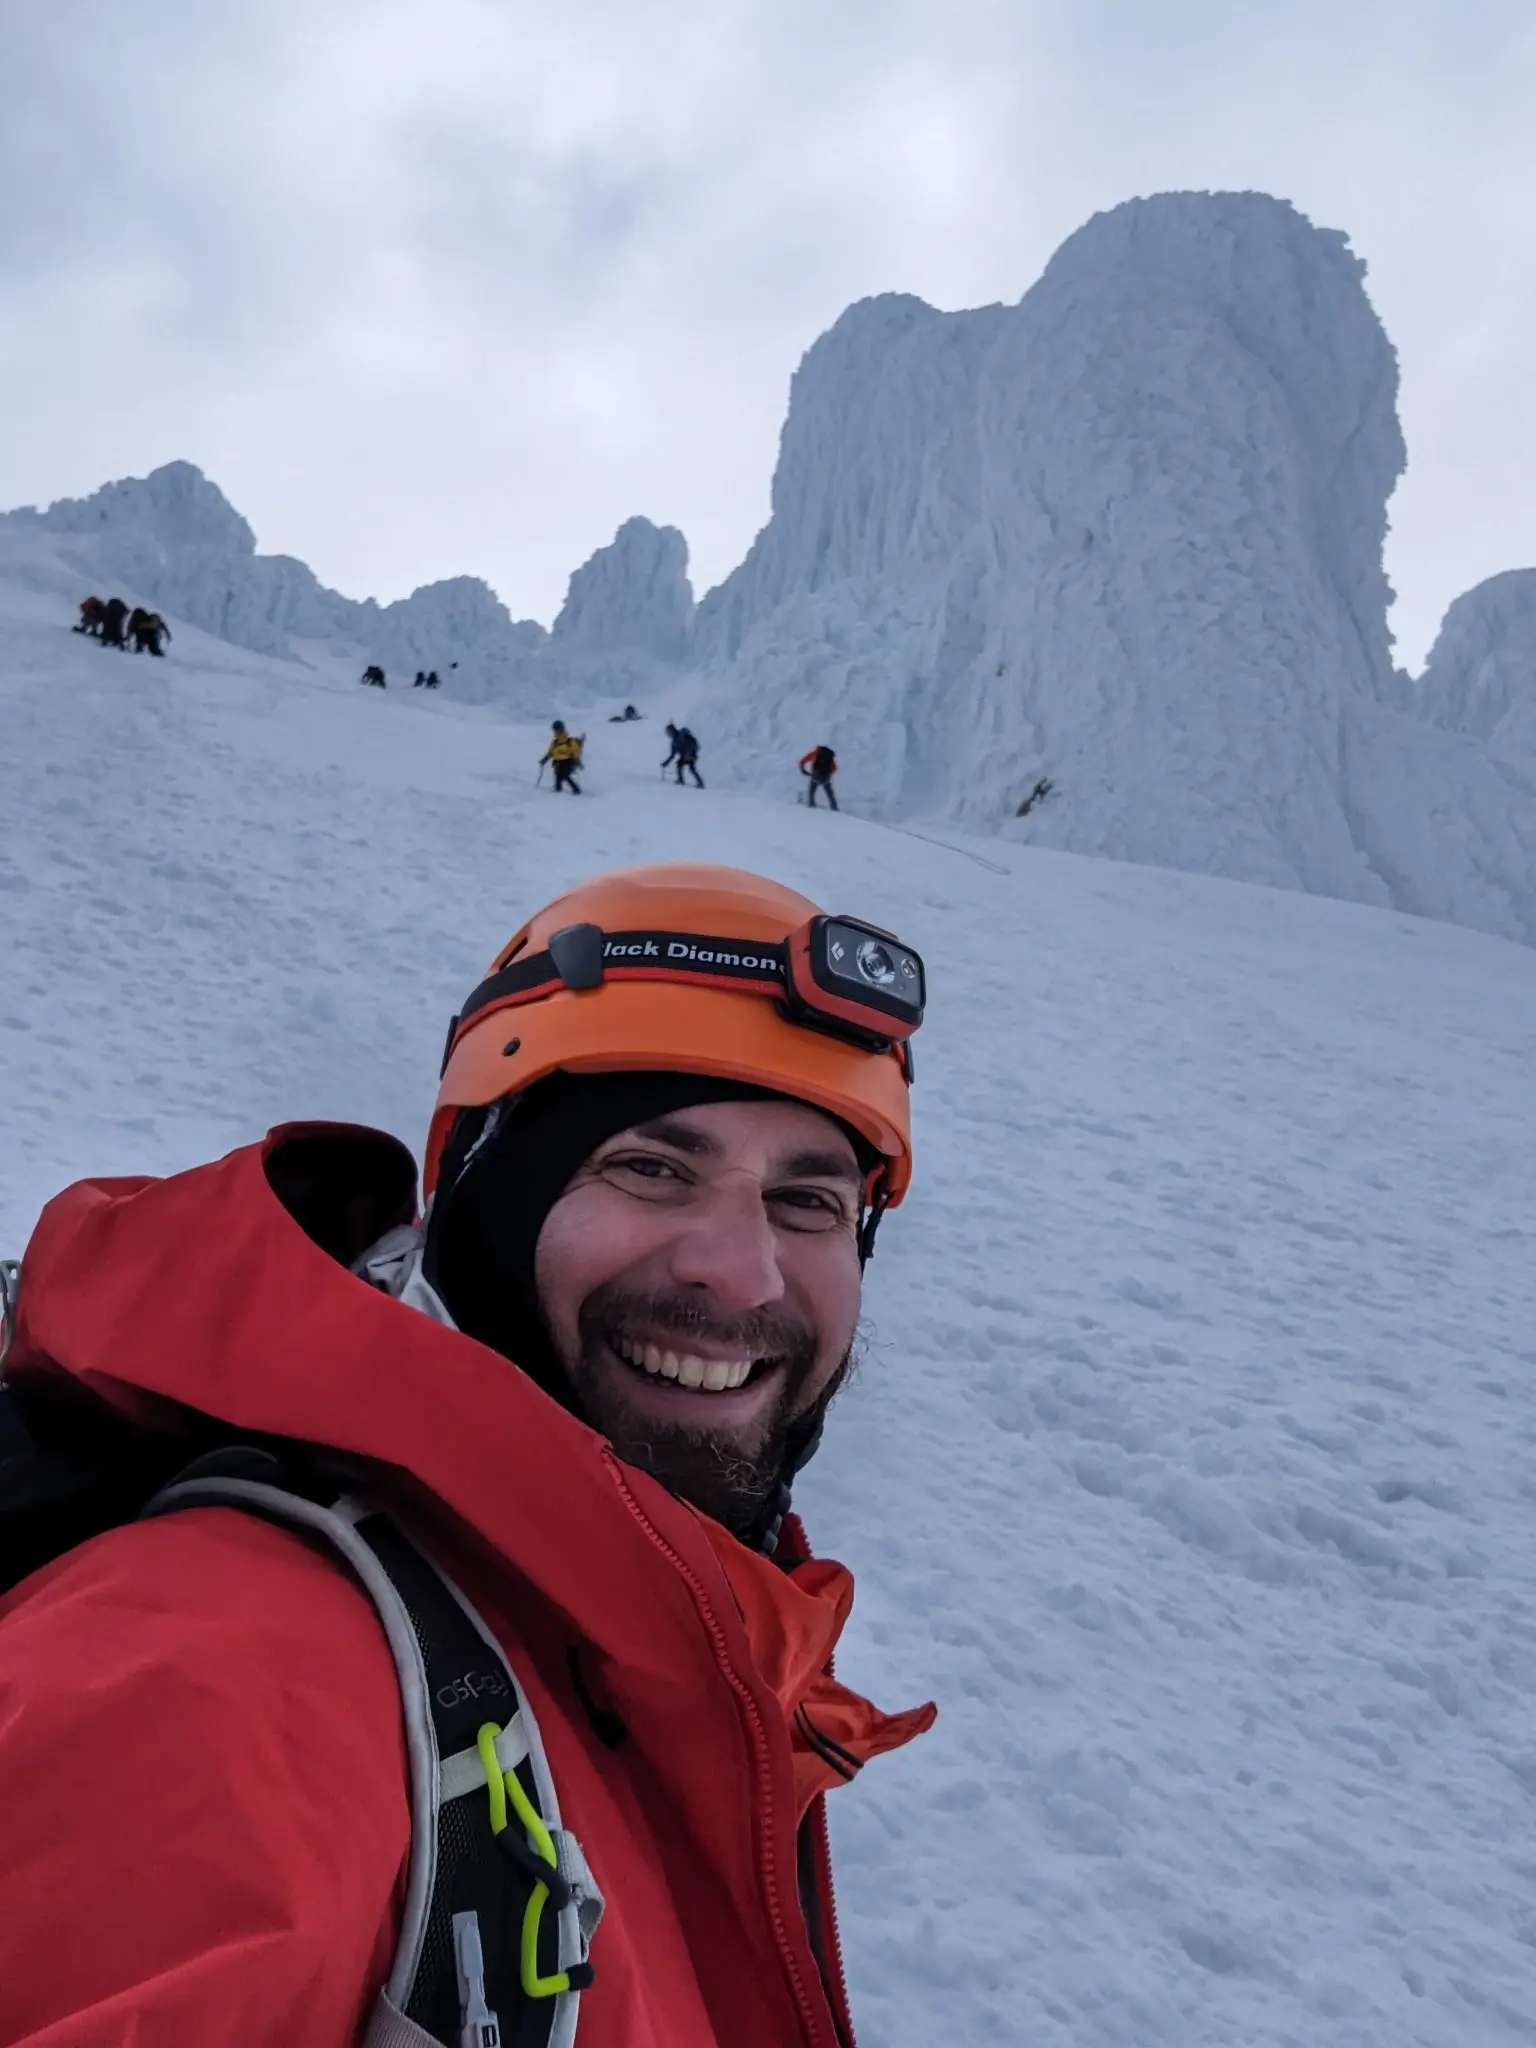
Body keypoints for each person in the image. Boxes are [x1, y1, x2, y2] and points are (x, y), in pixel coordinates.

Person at [0, 861, 935, 2046]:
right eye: (649, 1167)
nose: (741, 1272)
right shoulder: (216, 1669)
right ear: (484, 1205)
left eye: (809, 1202)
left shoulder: (652, 1646)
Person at [542, 720, 584, 793]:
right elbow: (550, 753)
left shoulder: (570, 741)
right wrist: (544, 760)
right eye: (555, 729)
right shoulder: (555, 742)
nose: (556, 731)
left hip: (568, 762)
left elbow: (575, 751)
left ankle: (575, 789)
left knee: (565, 775)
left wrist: (578, 761)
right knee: (558, 776)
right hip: (557, 762)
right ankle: (559, 790)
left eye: (557, 729)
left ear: (562, 729)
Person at [662, 722, 704, 787]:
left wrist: (688, 753)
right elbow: (672, 755)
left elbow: (690, 744)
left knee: (683, 766)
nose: (669, 734)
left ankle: (682, 780)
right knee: (690, 768)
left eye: (669, 732)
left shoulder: (680, 736)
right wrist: (666, 763)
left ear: (672, 731)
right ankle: (699, 783)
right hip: (689, 754)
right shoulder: (674, 742)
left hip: (691, 754)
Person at [799, 745, 838, 810]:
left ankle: (811, 805)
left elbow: (802, 761)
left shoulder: (815, 754)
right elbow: (835, 768)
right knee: (830, 794)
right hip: (825, 778)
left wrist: (803, 770)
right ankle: (834, 808)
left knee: (811, 791)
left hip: (815, 777)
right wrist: (828, 773)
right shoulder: (829, 756)